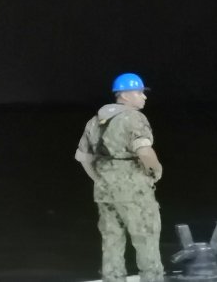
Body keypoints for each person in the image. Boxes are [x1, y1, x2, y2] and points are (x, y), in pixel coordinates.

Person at [74, 73, 165, 282]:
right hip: (133, 187)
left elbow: (84, 158)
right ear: (124, 96)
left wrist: (98, 178)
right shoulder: (134, 118)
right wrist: (156, 169)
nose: (144, 97)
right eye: (139, 92)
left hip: (104, 189)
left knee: (111, 239)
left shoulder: (95, 121)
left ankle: (113, 279)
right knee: (146, 237)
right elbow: (143, 150)